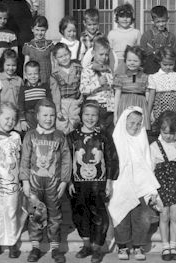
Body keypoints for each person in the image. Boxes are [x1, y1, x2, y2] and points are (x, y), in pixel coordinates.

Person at [67, 101, 119, 263]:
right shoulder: (72, 136)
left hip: (98, 184)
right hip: (77, 184)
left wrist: (109, 181)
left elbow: (111, 159)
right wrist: (68, 181)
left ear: (98, 117)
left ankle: (97, 247)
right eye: (87, 114)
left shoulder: (103, 135)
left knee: (98, 214)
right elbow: (66, 160)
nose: (90, 118)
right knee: (80, 213)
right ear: (81, 116)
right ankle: (86, 245)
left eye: (94, 115)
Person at [20, 99, 71, 263]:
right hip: (34, 183)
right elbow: (25, 159)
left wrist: (64, 181)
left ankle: (55, 248)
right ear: (37, 116)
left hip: (53, 184)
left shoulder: (59, 136)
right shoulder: (30, 135)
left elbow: (66, 160)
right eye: (45, 115)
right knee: (35, 213)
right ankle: (35, 247)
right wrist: (25, 181)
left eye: (52, 115)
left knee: (55, 215)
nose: (48, 119)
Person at [108, 106, 161, 262]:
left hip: (140, 184)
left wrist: (149, 188)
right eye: (131, 123)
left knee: (141, 216)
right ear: (124, 121)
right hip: (121, 183)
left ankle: (138, 245)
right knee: (121, 214)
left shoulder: (142, 139)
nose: (135, 127)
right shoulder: (116, 139)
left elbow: (147, 163)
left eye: (138, 123)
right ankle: (122, 245)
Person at [0, 102, 27, 259]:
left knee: (11, 211)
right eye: (6, 118)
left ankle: (12, 243)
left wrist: (23, 179)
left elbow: (22, 159)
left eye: (13, 119)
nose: (10, 121)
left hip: (13, 181)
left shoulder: (16, 137)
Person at [150, 110, 176, 262]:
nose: (168, 136)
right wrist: (153, 192)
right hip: (160, 187)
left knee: (175, 216)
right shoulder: (154, 146)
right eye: (165, 132)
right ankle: (165, 246)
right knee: (164, 216)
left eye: (172, 133)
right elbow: (150, 170)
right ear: (160, 130)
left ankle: (173, 246)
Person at [147, 48, 176, 141]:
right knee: (163, 127)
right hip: (161, 107)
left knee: (175, 128)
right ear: (159, 62)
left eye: (171, 64)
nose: (168, 67)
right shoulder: (154, 77)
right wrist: (149, 112)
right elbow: (151, 96)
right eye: (165, 64)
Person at [79, 37, 115, 134]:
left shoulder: (108, 69)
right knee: (97, 134)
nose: (104, 57)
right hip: (96, 108)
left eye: (106, 55)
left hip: (109, 108)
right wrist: (98, 83)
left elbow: (111, 89)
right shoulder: (87, 70)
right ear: (93, 53)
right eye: (101, 54)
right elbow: (83, 89)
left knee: (108, 135)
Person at [114, 46, 150, 132]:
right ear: (125, 60)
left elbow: (148, 95)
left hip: (140, 105)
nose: (132, 63)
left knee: (140, 131)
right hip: (124, 106)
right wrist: (115, 114)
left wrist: (149, 112)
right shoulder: (120, 77)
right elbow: (117, 95)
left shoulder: (145, 77)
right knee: (125, 130)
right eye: (129, 60)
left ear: (141, 62)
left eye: (135, 61)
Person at [51, 43, 83, 135]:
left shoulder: (78, 68)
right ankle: (63, 144)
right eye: (60, 57)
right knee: (62, 124)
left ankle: (74, 143)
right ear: (56, 59)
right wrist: (57, 109)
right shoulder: (55, 73)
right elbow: (55, 92)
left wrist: (82, 97)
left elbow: (83, 83)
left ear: (70, 53)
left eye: (66, 55)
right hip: (62, 102)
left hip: (75, 101)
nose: (64, 58)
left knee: (75, 122)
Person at [18, 61, 53, 135]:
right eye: (30, 74)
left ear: (39, 74)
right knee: (31, 135)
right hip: (29, 116)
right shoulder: (24, 88)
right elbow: (21, 105)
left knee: (44, 134)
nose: (33, 76)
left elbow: (49, 101)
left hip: (43, 115)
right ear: (25, 75)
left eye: (35, 74)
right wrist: (22, 120)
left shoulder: (44, 86)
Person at [140, 6, 176, 75]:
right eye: (158, 21)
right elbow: (142, 54)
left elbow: (173, 55)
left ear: (167, 20)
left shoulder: (171, 37)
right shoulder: (146, 35)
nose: (161, 24)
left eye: (163, 21)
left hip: (166, 69)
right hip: (150, 69)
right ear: (152, 22)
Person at [107, 3, 141, 73]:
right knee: (117, 82)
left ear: (131, 18)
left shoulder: (136, 32)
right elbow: (109, 51)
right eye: (122, 16)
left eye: (128, 17)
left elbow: (139, 49)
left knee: (130, 81)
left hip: (132, 62)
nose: (125, 19)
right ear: (117, 18)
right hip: (116, 62)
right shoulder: (112, 33)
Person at [23, 15, 55, 84]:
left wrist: (53, 76)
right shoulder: (29, 46)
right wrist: (25, 77)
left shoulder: (49, 45)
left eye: (42, 30)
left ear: (46, 29)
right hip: (33, 79)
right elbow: (26, 63)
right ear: (32, 29)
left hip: (47, 77)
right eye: (37, 30)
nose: (39, 33)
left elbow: (52, 61)